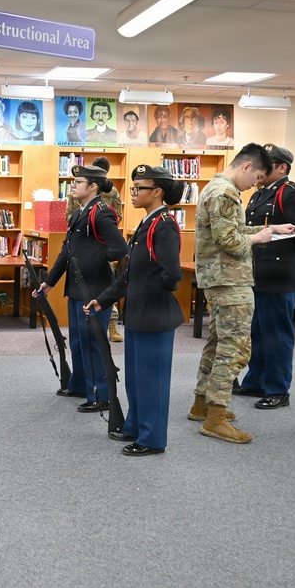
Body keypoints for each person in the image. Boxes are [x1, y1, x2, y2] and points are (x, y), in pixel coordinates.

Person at [189, 143, 295, 444]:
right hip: (230, 281)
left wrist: (270, 228)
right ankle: (215, 417)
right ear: (246, 167)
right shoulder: (225, 193)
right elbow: (230, 242)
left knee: (217, 343)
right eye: (258, 177)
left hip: (219, 279)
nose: (255, 185)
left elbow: (231, 230)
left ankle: (202, 404)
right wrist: (261, 238)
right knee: (235, 349)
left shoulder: (215, 187)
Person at [86, 164, 186, 456]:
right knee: (136, 377)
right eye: (133, 187)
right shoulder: (147, 222)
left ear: (157, 192)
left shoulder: (164, 223)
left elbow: (172, 274)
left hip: (154, 315)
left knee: (152, 381)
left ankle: (152, 438)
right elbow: (130, 276)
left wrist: (149, 295)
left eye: (139, 188)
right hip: (139, 315)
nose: (133, 193)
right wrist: (103, 299)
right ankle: (135, 425)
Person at [35, 164, 127, 413]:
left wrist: (93, 260)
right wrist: (49, 281)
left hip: (95, 288)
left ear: (93, 186)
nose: (72, 186)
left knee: (93, 342)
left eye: (78, 182)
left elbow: (119, 249)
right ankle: (80, 384)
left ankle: (101, 394)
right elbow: (67, 252)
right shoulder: (78, 214)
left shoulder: (102, 212)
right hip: (76, 288)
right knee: (77, 340)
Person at [234, 144, 295, 409]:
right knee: (258, 333)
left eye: (267, 163)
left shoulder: (292, 193)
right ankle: (256, 381)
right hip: (258, 274)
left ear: (282, 167)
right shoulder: (260, 194)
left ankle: (278, 389)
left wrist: (290, 258)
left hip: (280, 276)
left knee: (277, 335)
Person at [91, 156, 125, 343]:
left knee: (107, 285)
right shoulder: (83, 188)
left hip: (104, 244)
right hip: (86, 244)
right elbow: (70, 216)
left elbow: (118, 215)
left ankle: (111, 326)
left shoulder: (111, 191)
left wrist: (101, 222)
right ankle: (91, 326)